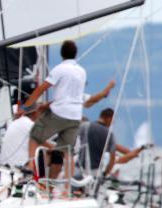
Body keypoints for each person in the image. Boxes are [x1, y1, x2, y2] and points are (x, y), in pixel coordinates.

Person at [20, 40, 115, 183]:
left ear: (61, 54)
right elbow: (88, 99)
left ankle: (30, 166)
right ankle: (67, 188)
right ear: (75, 54)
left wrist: (25, 108)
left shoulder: (60, 69)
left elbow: (41, 88)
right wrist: (107, 89)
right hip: (75, 116)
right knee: (68, 152)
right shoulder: (82, 72)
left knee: (34, 136)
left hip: (59, 113)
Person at [79, 108, 148, 177]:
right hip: (95, 171)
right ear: (108, 118)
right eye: (113, 119)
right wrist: (105, 174)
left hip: (80, 167)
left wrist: (138, 150)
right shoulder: (107, 134)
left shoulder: (84, 127)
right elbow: (120, 158)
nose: (113, 122)